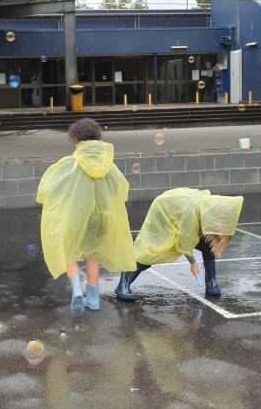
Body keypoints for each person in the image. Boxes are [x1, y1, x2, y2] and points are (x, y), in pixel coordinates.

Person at [36, 117, 135, 314]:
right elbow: (121, 188)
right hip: (101, 218)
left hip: (76, 216)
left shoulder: (70, 163)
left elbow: (50, 187)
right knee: (92, 255)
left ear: (75, 139)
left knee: (67, 251)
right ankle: (93, 299)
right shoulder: (109, 165)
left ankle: (76, 289)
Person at [115, 188, 243, 301]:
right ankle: (123, 285)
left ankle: (211, 282)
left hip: (180, 210)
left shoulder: (209, 208)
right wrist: (193, 262)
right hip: (164, 211)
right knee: (154, 250)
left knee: (207, 246)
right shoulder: (192, 212)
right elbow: (185, 240)